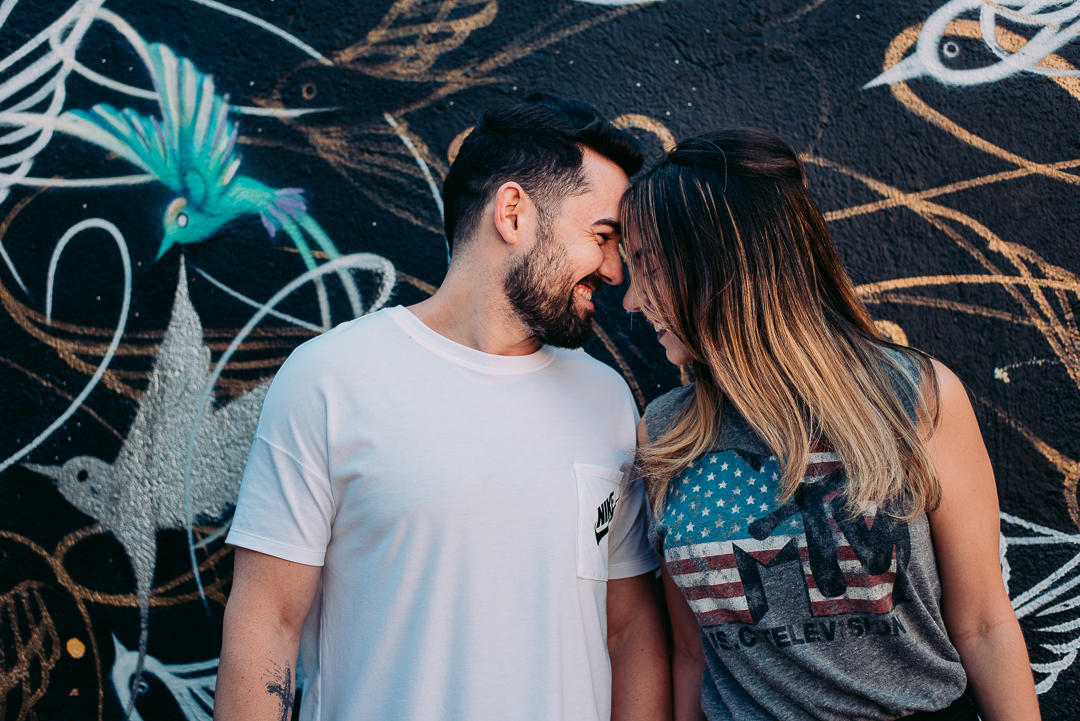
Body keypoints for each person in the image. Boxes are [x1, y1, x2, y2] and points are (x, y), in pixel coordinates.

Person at [213, 95, 670, 721]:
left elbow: (629, 630)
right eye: (602, 236)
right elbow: (269, 620)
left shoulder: (607, 399)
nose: (615, 272)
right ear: (513, 213)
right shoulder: (331, 379)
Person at [621, 129, 1040, 721]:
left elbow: (983, 624)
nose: (631, 300)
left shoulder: (914, 395)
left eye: (649, 266)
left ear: (723, 263)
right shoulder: (666, 432)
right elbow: (693, 653)